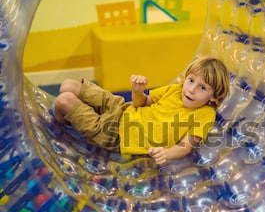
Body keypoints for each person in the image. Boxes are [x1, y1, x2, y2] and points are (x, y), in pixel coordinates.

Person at [53, 56, 230, 165]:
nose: (191, 89)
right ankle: (72, 116)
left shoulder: (205, 114)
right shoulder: (176, 89)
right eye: (191, 80)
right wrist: (137, 91)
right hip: (123, 108)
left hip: (116, 135)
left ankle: (64, 125)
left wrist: (166, 153)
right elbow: (142, 103)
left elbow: (185, 146)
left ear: (213, 97)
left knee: (64, 100)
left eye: (202, 88)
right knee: (68, 85)